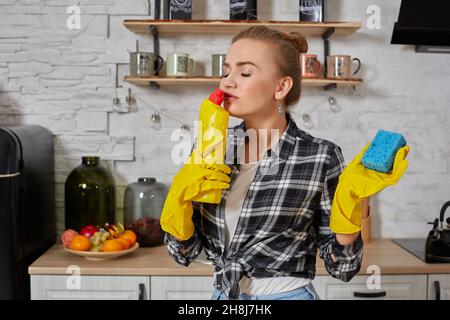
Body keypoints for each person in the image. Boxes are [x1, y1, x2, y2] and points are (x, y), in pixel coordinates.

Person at [160, 26, 409, 300]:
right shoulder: (209, 149)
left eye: (244, 73)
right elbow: (185, 254)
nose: (227, 83)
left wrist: (348, 207)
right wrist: (177, 206)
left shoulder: (320, 156)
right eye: (226, 71)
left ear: (281, 86)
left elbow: (343, 268)